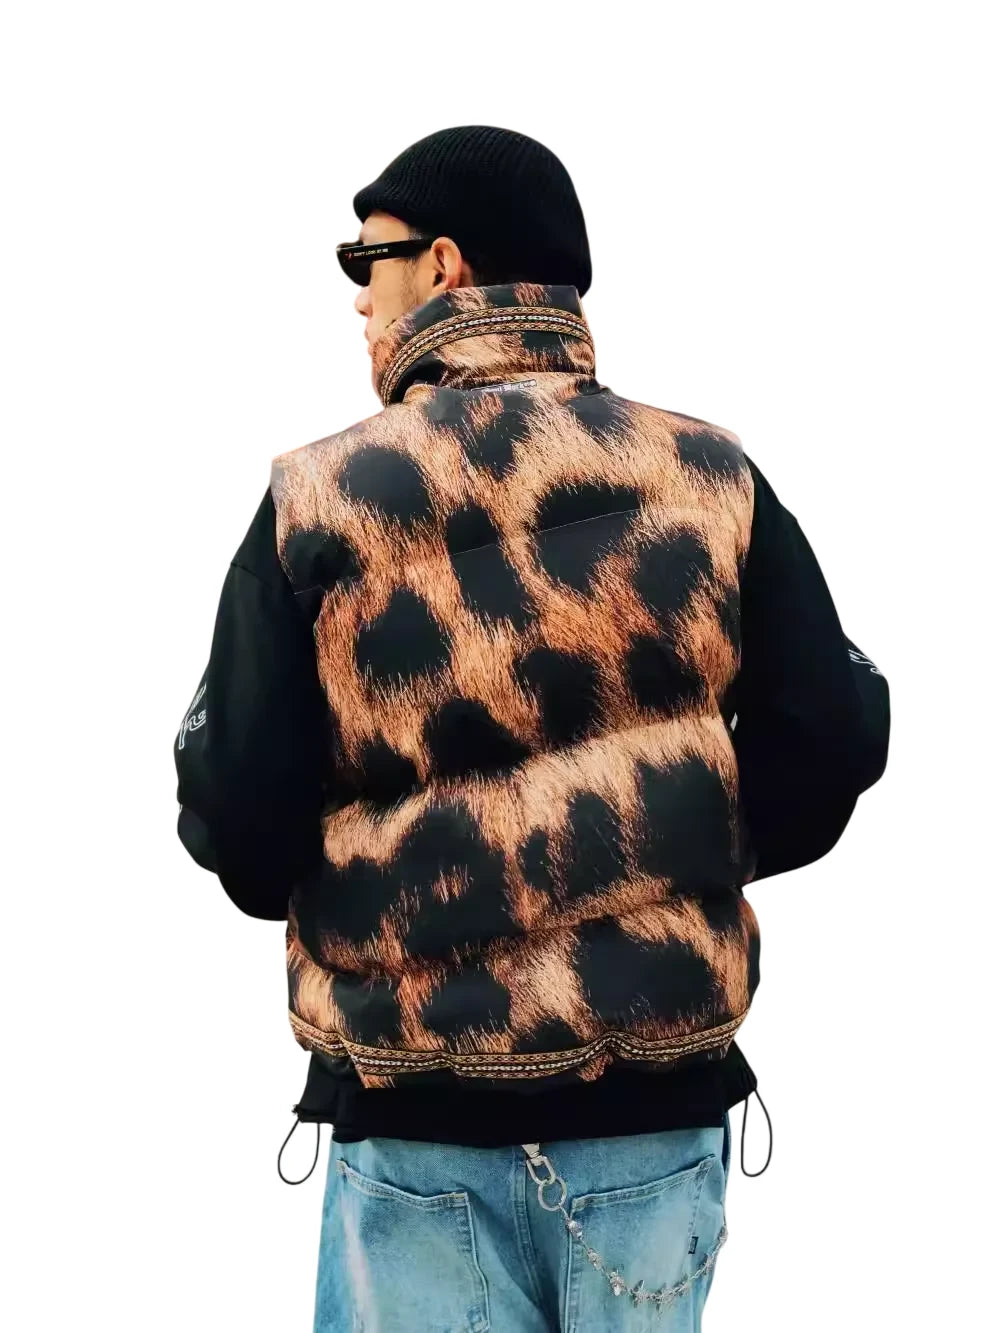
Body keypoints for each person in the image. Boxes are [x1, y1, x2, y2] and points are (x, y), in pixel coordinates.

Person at [174, 125, 890, 1332]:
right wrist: (673, 846)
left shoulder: (319, 500)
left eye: (367, 259)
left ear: (444, 264)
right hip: (650, 1122)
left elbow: (237, 805)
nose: (357, 296)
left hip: (416, 1128)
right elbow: (831, 729)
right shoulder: (707, 476)